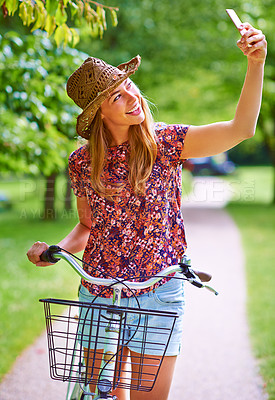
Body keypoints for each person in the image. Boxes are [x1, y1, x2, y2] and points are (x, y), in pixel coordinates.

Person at [27, 23, 267, 400]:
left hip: (159, 292)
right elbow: (88, 226)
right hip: (100, 292)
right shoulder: (82, 162)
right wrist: (54, 250)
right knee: (101, 394)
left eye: (129, 87)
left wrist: (256, 64)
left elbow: (241, 128)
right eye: (117, 97)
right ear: (99, 114)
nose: (132, 97)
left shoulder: (168, 143)